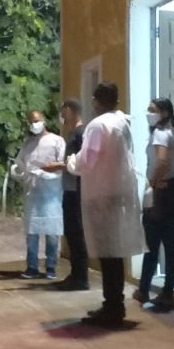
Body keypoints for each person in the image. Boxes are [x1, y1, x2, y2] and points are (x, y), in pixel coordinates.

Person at [66, 82, 143, 327]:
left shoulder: (98, 125)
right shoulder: (121, 123)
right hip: (117, 192)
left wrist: (71, 162)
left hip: (101, 195)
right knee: (114, 253)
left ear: (95, 101)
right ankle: (114, 304)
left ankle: (113, 307)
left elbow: (87, 161)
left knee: (108, 254)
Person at [134, 97, 174, 312]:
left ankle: (143, 289)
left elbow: (160, 160)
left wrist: (154, 181)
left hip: (161, 191)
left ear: (165, 113)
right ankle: (168, 292)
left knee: (151, 242)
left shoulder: (160, 133)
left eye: (152, 110)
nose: (148, 113)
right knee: (170, 242)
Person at [11, 110, 65, 279]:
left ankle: (51, 267)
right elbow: (20, 163)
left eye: (37, 120)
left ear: (44, 121)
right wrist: (20, 173)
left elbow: (62, 165)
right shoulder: (28, 143)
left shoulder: (57, 141)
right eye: (31, 122)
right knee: (32, 231)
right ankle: (32, 266)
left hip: (51, 192)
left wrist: (43, 172)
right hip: (32, 191)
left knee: (52, 231)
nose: (34, 124)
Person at [42, 98, 89, 290]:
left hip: (77, 190)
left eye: (63, 111)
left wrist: (57, 166)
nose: (61, 115)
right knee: (71, 233)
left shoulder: (80, 133)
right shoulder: (73, 133)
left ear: (69, 110)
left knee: (76, 234)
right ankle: (75, 274)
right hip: (70, 189)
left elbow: (81, 162)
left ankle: (81, 277)